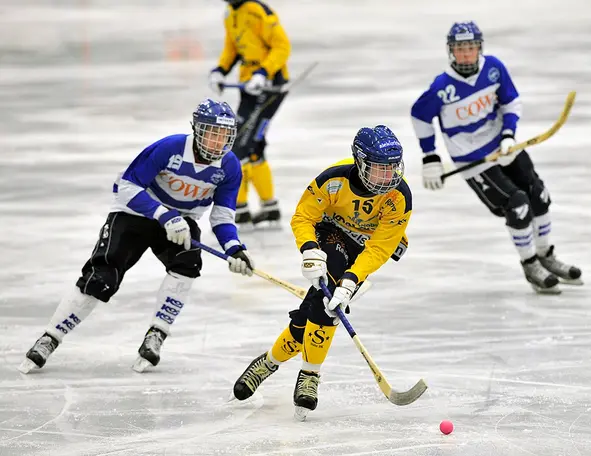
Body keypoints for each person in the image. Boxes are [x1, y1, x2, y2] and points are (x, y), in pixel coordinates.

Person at [18, 99, 255, 374]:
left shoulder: (230, 167)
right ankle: (50, 337)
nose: (217, 142)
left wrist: (234, 248)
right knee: (102, 277)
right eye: (212, 133)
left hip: (181, 222)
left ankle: (156, 334)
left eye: (224, 135)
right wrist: (165, 215)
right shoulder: (170, 147)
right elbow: (127, 187)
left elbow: (222, 217)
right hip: (136, 214)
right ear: (198, 129)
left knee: (187, 266)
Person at [229, 125, 412, 420]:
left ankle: (267, 362)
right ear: (361, 162)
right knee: (327, 307)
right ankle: (310, 375)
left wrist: (352, 281)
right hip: (331, 233)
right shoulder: (333, 180)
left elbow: (379, 249)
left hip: (362, 248)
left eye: (392, 169)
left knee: (314, 310)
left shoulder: (399, 196)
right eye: (379, 169)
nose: (387, 177)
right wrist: (311, 250)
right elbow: (304, 216)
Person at [411, 21, 582, 294]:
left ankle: (546, 256)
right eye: (460, 49)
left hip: (503, 146)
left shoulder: (493, 68)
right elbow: (420, 115)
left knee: (539, 195)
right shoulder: (442, 87)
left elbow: (510, 101)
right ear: (450, 51)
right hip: (471, 158)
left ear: (479, 48)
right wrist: (429, 156)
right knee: (517, 204)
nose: (466, 54)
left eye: (470, 48)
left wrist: (508, 136)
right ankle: (530, 265)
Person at [209, 0, 291, 230]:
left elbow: (282, 46)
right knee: (253, 146)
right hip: (250, 87)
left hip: (269, 87)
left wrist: (265, 72)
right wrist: (220, 70)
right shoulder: (230, 13)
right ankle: (270, 208)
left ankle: (241, 211)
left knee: (237, 145)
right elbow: (232, 48)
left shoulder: (258, 12)